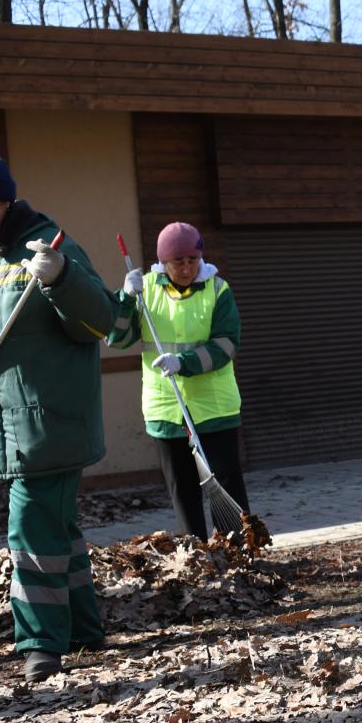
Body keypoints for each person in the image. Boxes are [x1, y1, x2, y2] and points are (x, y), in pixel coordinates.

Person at [0, 150, 118, 683]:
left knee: (29, 528)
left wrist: (62, 278)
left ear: (4, 200)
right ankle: (84, 628)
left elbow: (100, 320)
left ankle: (40, 643)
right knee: (57, 526)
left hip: (52, 422)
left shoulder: (48, 247)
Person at [109, 222, 249, 538]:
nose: (186, 268)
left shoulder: (218, 290)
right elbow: (117, 338)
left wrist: (182, 363)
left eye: (192, 260)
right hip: (166, 409)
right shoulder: (144, 289)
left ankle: (240, 556)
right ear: (163, 261)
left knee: (225, 486)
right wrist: (125, 300)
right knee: (182, 490)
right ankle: (198, 558)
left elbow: (227, 344)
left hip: (215, 409)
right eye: (178, 262)